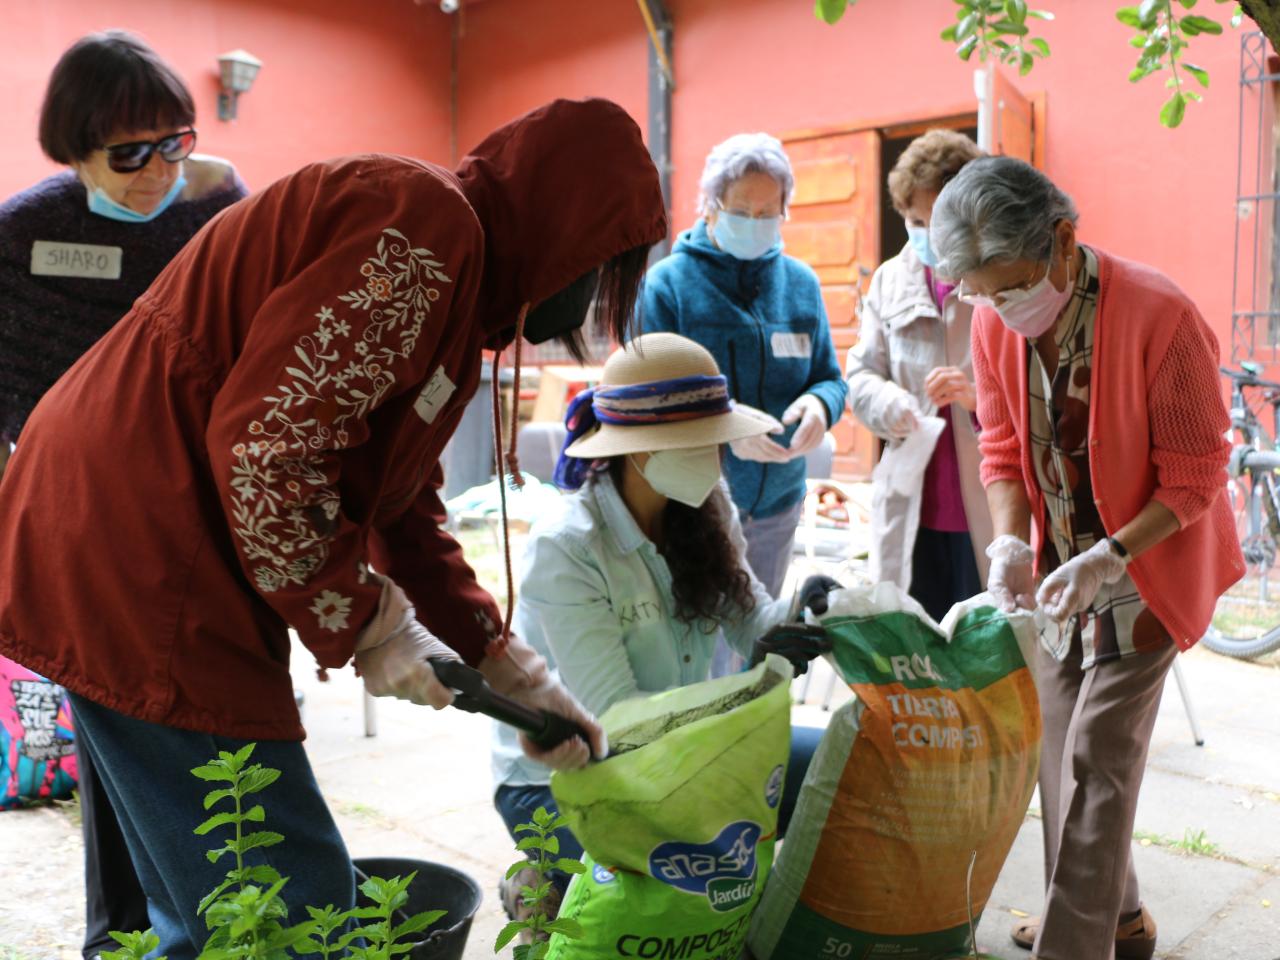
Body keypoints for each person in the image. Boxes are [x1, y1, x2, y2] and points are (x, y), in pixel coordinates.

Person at [0, 97, 667, 960]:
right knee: (285, 911)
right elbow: (270, 449)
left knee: (181, 907)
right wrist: (370, 624)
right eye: (604, 268)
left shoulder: (454, 286)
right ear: (570, 231)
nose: (590, 299)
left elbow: (400, 504)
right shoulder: (424, 232)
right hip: (144, 545)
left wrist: (507, 665)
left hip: (108, 525)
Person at [930, 156, 1244, 960]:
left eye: (1010, 284)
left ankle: (1075, 943)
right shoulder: (994, 319)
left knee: (1101, 752)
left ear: (1063, 242)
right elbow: (1000, 447)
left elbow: (1198, 477)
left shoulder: (1160, 314)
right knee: (1059, 746)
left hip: (1150, 564)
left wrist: (1110, 555)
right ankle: (1123, 918)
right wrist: (1008, 542)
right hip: (1060, 568)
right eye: (981, 293)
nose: (998, 306)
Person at [0, 31, 246, 958]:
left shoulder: (215, 206)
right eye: (128, 154)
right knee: (118, 737)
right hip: (88, 524)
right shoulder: (24, 234)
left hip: (206, 514)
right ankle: (125, 937)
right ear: (72, 151)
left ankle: (224, 925)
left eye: (173, 143)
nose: (154, 173)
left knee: (229, 725)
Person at [490, 332, 834, 926]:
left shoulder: (704, 503)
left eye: (715, 442)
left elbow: (753, 618)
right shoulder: (568, 545)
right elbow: (620, 720)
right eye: (698, 444)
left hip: (682, 751)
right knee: (668, 903)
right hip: (565, 781)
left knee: (838, 765)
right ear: (640, 450)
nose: (714, 458)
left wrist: (806, 611)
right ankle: (542, 876)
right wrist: (737, 717)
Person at [640, 133, 847, 673]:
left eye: (767, 211)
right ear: (710, 206)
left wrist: (820, 408)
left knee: (758, 645)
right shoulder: (669, 287)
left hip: (778, 502)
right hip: (695, 504)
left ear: (784, 210)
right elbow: (646, 401)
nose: (755, 221)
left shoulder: (800, 284)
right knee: (692, 647)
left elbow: (830, 377)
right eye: (741, 211)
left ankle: (747, 744)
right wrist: (726, 429)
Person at [845, 129, 991, 622]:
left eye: (938, 220)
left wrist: (977, 400)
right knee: (919, 656)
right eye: (914, 221)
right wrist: (893, 405)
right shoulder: (890, 279)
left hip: (987, 509)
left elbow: (1036, 392)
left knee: (987, 655)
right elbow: (862, 375)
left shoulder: (999, 278)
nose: (926, 233)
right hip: (914, 507)